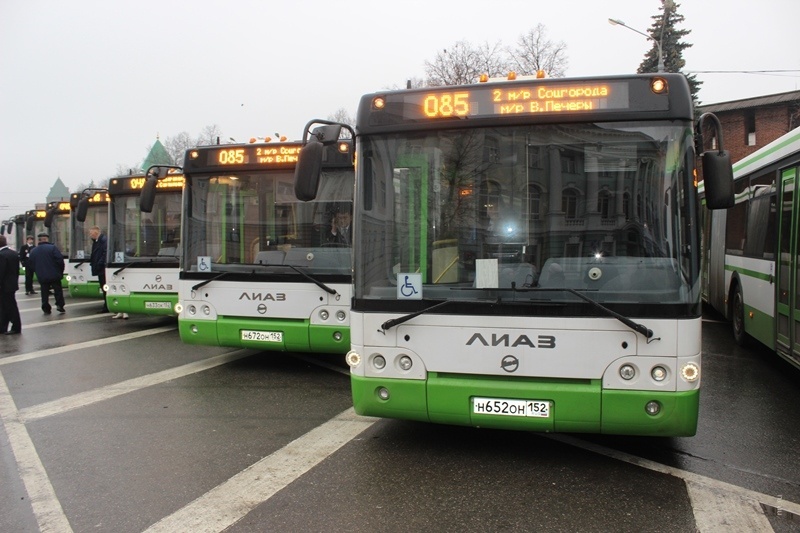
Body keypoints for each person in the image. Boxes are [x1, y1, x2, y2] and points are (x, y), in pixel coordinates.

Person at [27, 232, 66, 314]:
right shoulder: (52, 248)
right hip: (54, 274)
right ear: (46, 239)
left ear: (39, 240)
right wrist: (60, 271)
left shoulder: (33, 251)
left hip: (42, 275)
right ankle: (60, 305)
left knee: (44, 292)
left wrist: (37, 271)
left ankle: (45, 307)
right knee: (58, 290)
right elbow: (60, 260)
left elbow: (31, 264)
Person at [0, 235, 22, 334]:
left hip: (4, 286)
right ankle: (3, 327)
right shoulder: (12, 253)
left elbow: (1, 272)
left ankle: (16, 327)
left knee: (9, 307)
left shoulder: (2, 255)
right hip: (11, 284)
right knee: (6, 307)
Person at [89, 226, 112, 315]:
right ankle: (106, 305)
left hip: (102, 269)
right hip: (100, 268)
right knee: (104, 288)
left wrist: (99, 264)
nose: (90, 235)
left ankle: (106, 306)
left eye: (91, 233)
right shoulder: (97, 241)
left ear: (96, 232)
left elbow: (104, 254)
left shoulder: (103, 241)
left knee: (105, 288)